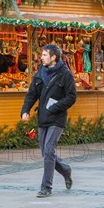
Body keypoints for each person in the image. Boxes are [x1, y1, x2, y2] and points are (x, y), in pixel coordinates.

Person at [21, 44, 77, 197]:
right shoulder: (40, 74)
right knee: (46, 153)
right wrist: (25, 110)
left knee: (49, 151)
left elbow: (71, 97)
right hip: (43, 118)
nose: (41, 57)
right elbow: (31, 94)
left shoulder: (65, 75)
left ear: (53, 57)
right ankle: (65, 170)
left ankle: (46, 187)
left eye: (45, 55)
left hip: (57, 118)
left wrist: (55, 107)